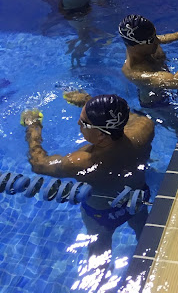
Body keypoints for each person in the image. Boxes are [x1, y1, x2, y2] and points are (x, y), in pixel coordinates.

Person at [21, 94, 154, 261]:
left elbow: (38, 164)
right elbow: (128, 115)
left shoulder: (81, 161)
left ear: (101, 136)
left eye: (83, 122)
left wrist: (33, 127)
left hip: (102, 216)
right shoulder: (145, 128)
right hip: (137, 200)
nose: (78, 123)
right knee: (147, 237)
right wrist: (88, 101)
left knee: (99, 257)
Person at [119, 14, 178, 108]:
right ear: (135, 46)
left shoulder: (146, 42)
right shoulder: (135, 72)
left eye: (155, 36)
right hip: (156, 104)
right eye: (152, 39)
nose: (157, 41)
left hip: (165, 86)